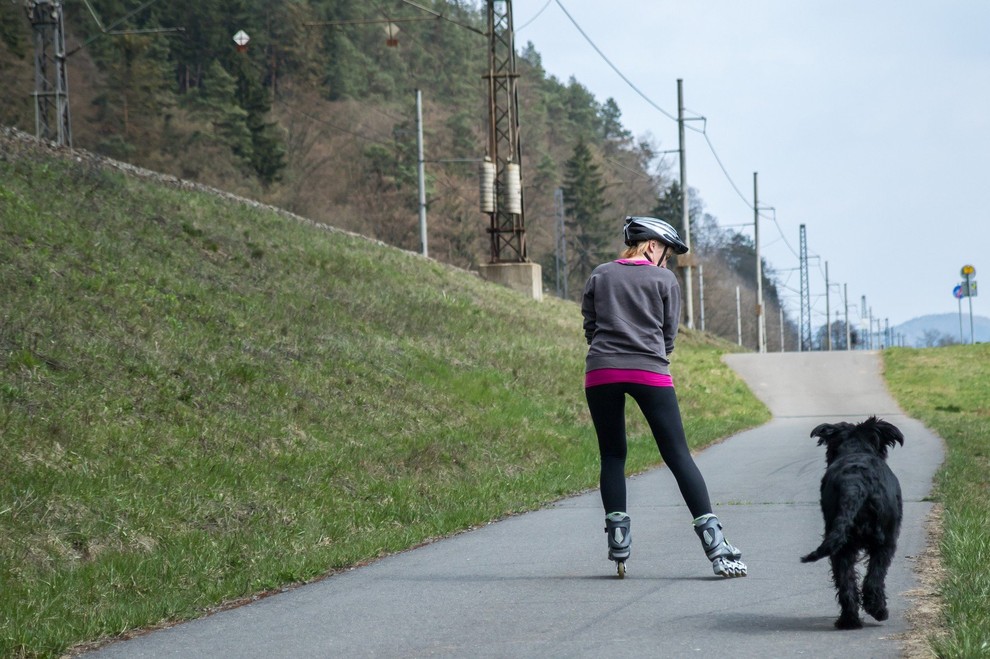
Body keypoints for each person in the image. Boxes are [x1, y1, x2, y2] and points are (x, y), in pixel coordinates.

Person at [581, 216, 747, 578]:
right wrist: (652, 353)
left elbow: (590, 325)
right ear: (652, 245)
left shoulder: (601, 274)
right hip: (649, 371)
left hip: (601, 370)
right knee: (677, 455)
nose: (666, 261)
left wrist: (609, 349)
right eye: (666, 254)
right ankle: (716, 546)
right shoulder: (663, 280)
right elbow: (668, 333)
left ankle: (619, 539)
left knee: (612, 454)